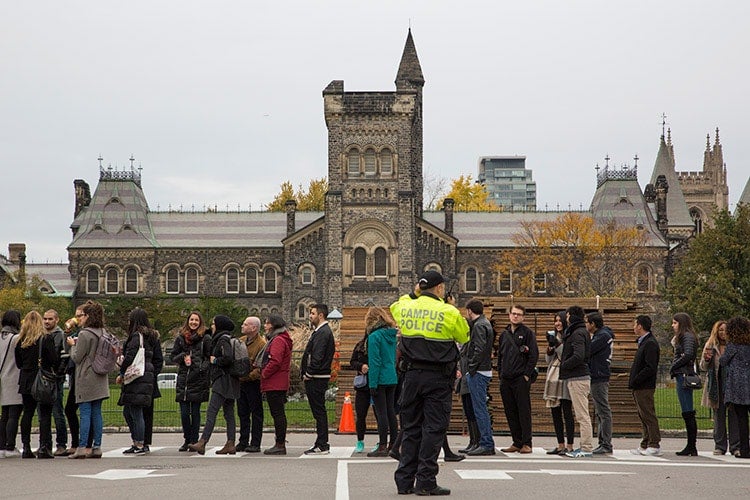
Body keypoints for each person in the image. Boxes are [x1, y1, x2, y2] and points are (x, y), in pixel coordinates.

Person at [391, 270, 469, 496]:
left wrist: (415, 293)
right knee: (433, 429)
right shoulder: (449, 311)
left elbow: (397, 304)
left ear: (419, 287)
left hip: (411, 377)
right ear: (440, 288)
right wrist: (450, 306)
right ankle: (425, 480)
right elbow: (465, 337)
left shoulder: (405, 306)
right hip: (437, 379)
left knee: (411, 427)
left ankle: (404, 481)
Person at [189, 315, 240, 455]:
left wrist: (215, 361)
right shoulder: (228, 337)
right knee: (229, 413)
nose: (211, 326)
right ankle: (231, 442)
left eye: (213, 324)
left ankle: (203, 441)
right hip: (230, 381)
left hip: (222, 380)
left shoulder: (222, 339)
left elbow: (228, 358)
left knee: (212, 411)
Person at [68, 300, 110, 459]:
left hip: (86, 377)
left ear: (88, 316)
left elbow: (77, 357)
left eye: (83, 315)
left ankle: (82, 446)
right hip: (100, 377)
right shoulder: (103, 332)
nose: (80, 319)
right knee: (97, 413)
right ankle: (97, 446)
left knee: (85, 412)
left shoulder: (84, 334)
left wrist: (72, 345)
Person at [15, 310, 59, 459]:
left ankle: (26, 446)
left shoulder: (21, 340)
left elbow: (18, 363)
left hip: (26, 379)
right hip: (42, 378)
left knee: (27, 413)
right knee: (44, 414)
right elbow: (53, 359)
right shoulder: (45, 338)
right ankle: (43, 447)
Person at [116, 308, 159, 455]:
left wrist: (122, 371)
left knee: (134, 411)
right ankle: (138, 441)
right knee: (131, 411)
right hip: (146, 375)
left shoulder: (136, 336)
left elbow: (130, 356)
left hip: (137, 377)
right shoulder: (151, 337)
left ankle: (139, 443)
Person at [497, 304, 539, 455]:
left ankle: (527, 443)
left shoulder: (527, 333)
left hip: (520, 378)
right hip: (506, 378)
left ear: (523, 317)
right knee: (510, 411)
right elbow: (500, 356)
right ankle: (517, 441)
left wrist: (526, 375)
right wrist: (500, 374)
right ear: (509, 315)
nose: (515, 316)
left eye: (519, 314)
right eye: (513, 313)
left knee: (523, 411)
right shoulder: (504, 334)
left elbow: (533, 355)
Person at [171, 311, 211, 452]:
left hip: (198, 379)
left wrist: (201, 368)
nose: (193, 322)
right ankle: (187, 438)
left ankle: (194, 439)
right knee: (184, 413)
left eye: (196, 320)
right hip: (184, 379)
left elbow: (208, 358)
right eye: (191, 320)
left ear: (200, 322)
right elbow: (173, 356)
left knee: (195, 412)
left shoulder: (205, 338)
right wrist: (183, 356)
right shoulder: (181, 338)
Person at [700, 320, 740, 455]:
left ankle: (735, 446)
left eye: (725, 330)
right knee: (719, 416)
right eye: (720, 330)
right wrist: (706, 359)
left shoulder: (734, 346)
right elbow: (702, 367)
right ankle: (720, 446)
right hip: (716, 385)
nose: (723, 333)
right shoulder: (710, 345)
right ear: (716, 332)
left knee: (734, 415)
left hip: (732, 385)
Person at [301, 304, 335, 455]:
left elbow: (318, 355)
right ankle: (321, 442)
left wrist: (309, 373)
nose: (310, 316)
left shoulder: (322, 333)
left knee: (319, 411)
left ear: (321, 315)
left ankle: (322, 443)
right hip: (317, 375)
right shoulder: (320, 332)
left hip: (317, 377)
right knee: (318, 411)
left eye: (312, 313)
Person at [364, 307, 399, 457]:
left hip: (380, 378)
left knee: (381, 413)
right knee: (391, 412)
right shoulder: (392, 335)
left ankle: (382, 445)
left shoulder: (374, 337)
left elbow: (375, 361)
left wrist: (372, 384)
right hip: (392, 376)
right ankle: (394, 444)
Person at [560, 306, 593, 458]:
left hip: (578, 378)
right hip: (577, 377)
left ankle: (586, 447)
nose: (566, 319)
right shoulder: (580, 331)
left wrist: (565, 364)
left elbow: (579, 355)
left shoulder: (577, 333)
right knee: (581, 414)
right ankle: (584, 446)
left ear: (572, 317)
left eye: (567, 316)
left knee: (582, 415)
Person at [464, 299, 496, 456]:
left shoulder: (479, 326)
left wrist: (471, 367)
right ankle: (483, 442)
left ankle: (486, 443)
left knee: (479, 409)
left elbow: (479, 348)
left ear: (470, 311)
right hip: (482, 369)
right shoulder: (484, 323)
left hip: (479, 371)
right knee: (479, 408)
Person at [629, 314, 662, 456]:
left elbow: (650, 367)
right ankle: (645, 442)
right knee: (643, 415)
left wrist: (637, 379)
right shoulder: (644, 342)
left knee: (648, 414)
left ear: (640, 326)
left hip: (645, 386)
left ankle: (654, 443)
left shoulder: (650, 343)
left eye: (635, 324)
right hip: (639, 385)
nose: (633, 327)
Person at [542, 311, 575, 455]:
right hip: (553, 376)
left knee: (567, 412)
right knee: (555, 412)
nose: (557, 323)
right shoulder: (554, 336)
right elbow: (549, 361)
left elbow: (565, 356)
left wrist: (558, 344)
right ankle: (560, 444)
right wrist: (549, 349)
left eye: (560, 320)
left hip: (566, 377)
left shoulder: (570, 337)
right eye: (555, 321)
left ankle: (570, 445)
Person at [261, 315, 293, 455]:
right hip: (277, 381)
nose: (265, 326)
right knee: (278, 413)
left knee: (278, 413)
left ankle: (280, 443)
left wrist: (264, 373)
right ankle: (279, 442)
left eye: (267, 323)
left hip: (275, 382)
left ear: (274, 325)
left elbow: (275, 361)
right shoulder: (279, 339)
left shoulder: (278, 340)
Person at [719, 316, 750, 459]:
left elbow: (723, 361)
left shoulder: (733, 346)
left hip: (738, 385)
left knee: (742, 418)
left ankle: (744, 449)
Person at [670, 312, 699, 456]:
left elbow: (687, 354)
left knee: (688, 411)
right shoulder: (684, 337)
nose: (673, 326)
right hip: (682, 373)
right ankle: (691, 445)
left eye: (675, 323)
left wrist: (674, 366)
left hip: (684, 375)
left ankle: (691, 445)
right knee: (686, 411)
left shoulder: (686, 336)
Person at [236, 316, 266, 453]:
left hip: (253, 382)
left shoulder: (261, 344)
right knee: (242, 412)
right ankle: (243, 441)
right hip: (240, 382)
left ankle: (255, 442)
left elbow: (260, 367)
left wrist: (248, 376)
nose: (242, 326)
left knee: (256, 413)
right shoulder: (240, 341)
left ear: (254, 328)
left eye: (245, 324)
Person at [42, 309, 69, 456]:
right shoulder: (41, 334)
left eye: (50, 319)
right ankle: (45, 443)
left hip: (55, 378)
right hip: (43, 377)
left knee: (58, 411)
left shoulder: (60, 335)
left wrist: (58, 373)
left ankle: (61, 444)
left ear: (56, 320)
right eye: (45, 319)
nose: (47, 321)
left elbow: (65, 357)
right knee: (42, 414)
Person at [586, 311, 614, 455]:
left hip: (599, 375)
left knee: (603, 410)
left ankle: (606, 443)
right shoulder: (600, 335)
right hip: (597, 374)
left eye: (587, 323)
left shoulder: (602, 336)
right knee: (600, 410)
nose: (586, 325)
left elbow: (588, 350)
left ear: (593, 324)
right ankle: (602, 441)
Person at [0, 310, 22, 458]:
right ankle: (10, 445)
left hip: (2, 378)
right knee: (14, 415)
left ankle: (2, 445)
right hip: (14, 378)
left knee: (4, 415)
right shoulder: (16, 338)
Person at [349, 325, 374, 453]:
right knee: (361, 414)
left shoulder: (378, 346)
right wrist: (361, 366)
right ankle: (360, 440)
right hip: (363, 386)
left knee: (379, 415)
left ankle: (381, 441)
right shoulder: (360, 346)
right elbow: (352, 362)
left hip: (376, 384)